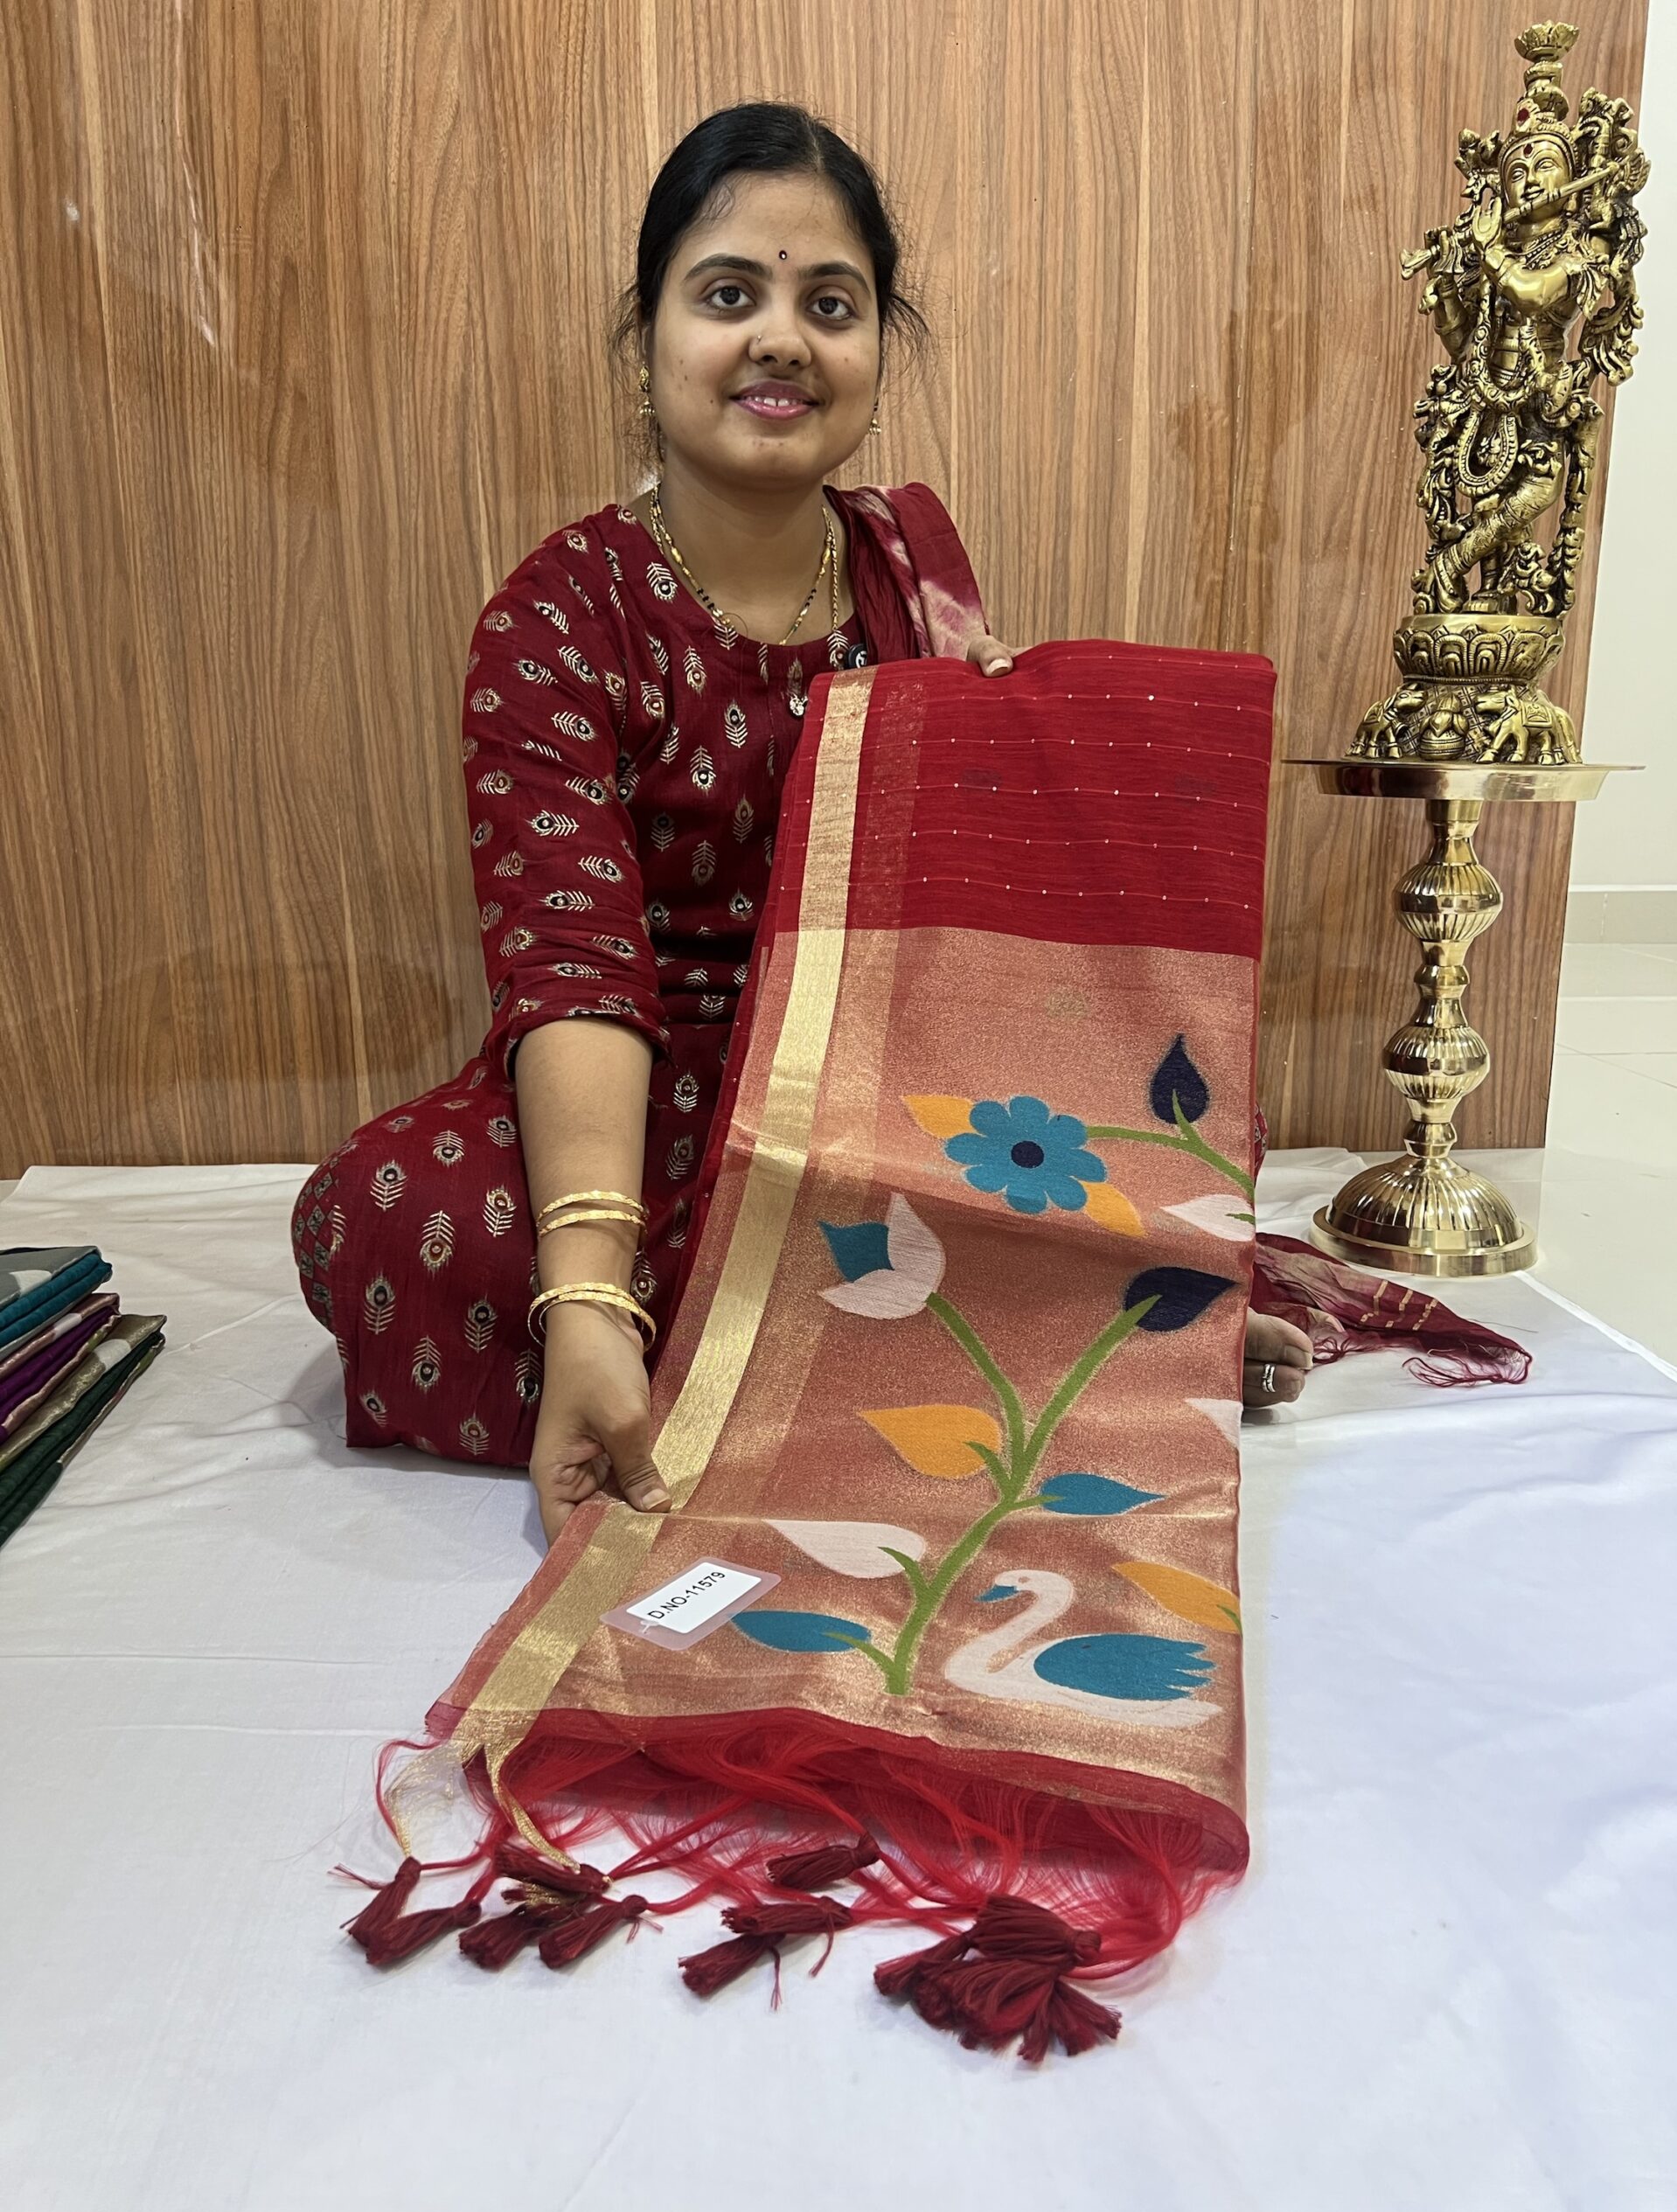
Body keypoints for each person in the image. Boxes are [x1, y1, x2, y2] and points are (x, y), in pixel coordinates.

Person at [291, 101, 1312, 1543]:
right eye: (729, 296)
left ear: (878, 350)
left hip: (880, 1087)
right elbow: (573, 969)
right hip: (639, 1103)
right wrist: (585, 1291)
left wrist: (1032, 755)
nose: (781, 339)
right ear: (647, 336)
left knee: (1183, 1097)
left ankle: (980, 1334)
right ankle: (1075, 1328)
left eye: (830, 305)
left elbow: (986, 942)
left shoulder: (913, 584)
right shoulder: (559, 614)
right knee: (384, 1209)